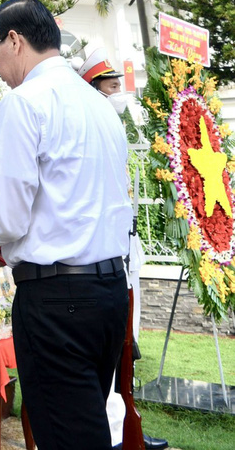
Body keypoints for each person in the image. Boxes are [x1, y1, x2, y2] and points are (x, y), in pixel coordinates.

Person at [0, 0, 132, 450]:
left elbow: (6, 214)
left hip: (58, 301)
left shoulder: (23, 104)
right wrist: (12, 242)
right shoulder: (100, 104)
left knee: (65, 434)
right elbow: (74, 206)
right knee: (86, 426)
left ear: (15, 41)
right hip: (107, 292)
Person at [77, 49, 168, 450]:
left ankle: (125, 430)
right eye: (112, 86)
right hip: (98, 265)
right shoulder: (88, 128)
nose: (119, 93)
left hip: (124, 256)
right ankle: (115, 433)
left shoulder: (113, 129)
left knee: (126, 350)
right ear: (93, 89)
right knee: (110, 358)